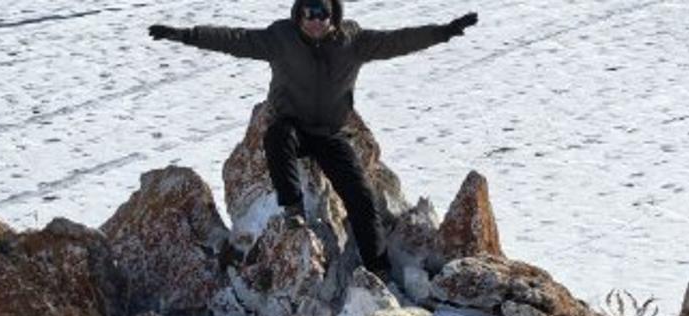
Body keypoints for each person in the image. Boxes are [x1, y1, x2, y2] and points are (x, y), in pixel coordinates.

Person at [149, 0, 477, 277]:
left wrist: (444, 31)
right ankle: (293, 208)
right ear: (299, 15)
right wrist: (186, 35)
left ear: (334, 15)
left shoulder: (353, 41)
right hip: (292, 125)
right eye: (310, 12)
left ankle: (378, 269)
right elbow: (234, 39)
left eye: (323, 13)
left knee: (361, 197)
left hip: (329, 134)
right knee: (277, 136)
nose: (316, 20)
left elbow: (400, 41)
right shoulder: (281, 38)